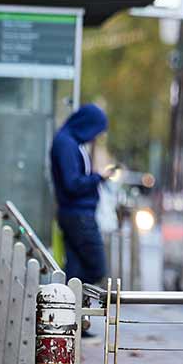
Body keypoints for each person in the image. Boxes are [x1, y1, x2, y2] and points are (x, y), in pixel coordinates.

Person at [50, 104, 110, 286]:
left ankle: (70, 307)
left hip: (75, 213)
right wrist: (98, 177)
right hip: (79, 215)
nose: (95, 136)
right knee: (97, 268)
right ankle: (70, 301)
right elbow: (72, 183)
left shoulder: (69, 142)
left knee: (75, 271)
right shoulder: (67, 144)